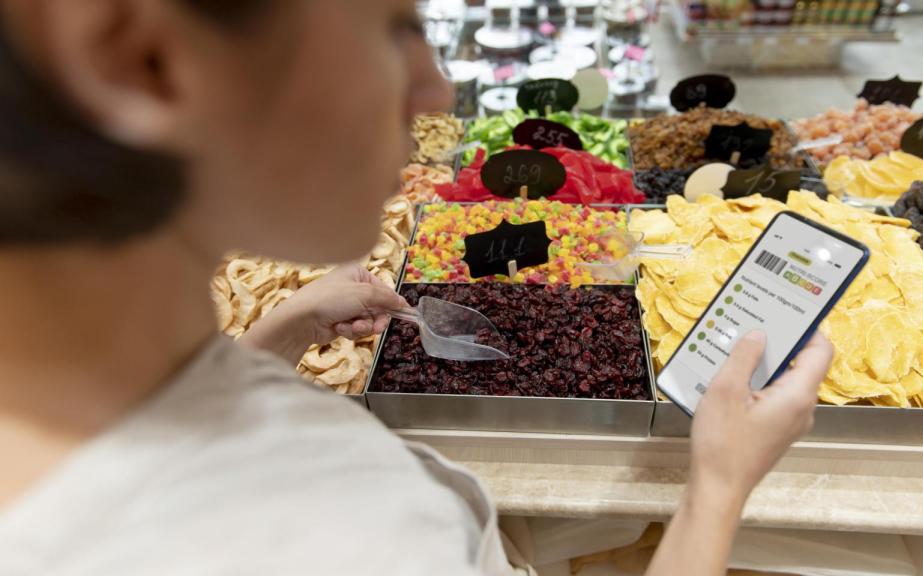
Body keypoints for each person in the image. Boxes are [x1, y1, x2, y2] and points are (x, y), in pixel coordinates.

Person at [0, 1, 834, 574]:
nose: (435, 91)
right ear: (135, 56)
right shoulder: (364, 536)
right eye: (391, 27)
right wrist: (719, 486)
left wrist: (272, 343)